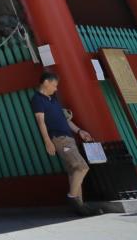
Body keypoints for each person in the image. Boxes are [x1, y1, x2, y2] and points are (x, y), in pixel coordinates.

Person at [30, 71, 96, 216]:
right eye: (54, 85)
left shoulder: (54, 99)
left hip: (69, 137)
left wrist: (79, 131)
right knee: (82, 167)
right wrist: (48, 142)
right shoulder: (37, 99)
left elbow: (65, 119)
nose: (56, 88)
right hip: (59, 138)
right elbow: (41, 122)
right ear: (46, 82)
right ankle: (72, 197)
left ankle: (80, 207)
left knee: (73, 172)